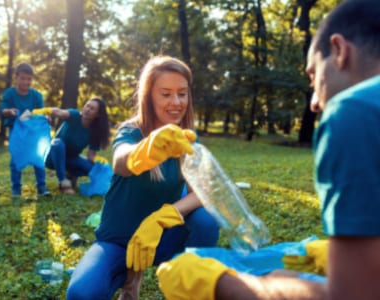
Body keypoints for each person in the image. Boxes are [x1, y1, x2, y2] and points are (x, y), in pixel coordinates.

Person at [155, 0, 380, 299]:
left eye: (313, 77)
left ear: (339, 50)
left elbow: (352, 295)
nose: (314, 102)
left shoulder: (352, 111)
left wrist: (221, 284)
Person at [66, 55, 219, 300]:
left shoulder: (187, 138)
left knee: (206, 220)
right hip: (118, 241)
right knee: (82, 294)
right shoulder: (130, 130)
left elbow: (200, 192)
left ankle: (188, 287)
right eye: (166, 94)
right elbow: (121, 162)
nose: (176, 102)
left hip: (162, 237)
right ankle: (129, 276)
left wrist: (163, 218)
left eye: (182, 93)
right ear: (149, 96)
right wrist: (148, 150)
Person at [33, 97, 110, 194]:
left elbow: (91, 155)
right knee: (58, 143)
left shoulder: (95, 131)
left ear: (97, 115)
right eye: (87, 106)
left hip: (70, 159)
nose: (88, 109)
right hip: (52, 157)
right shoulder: (74, 115)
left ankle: (71, 174)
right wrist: (44, 111)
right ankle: (63, 182)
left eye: (92, 109)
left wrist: (98, 160)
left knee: (92, 168)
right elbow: (59, 112)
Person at [0, 62, 51, 197]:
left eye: (29, 79)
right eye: (22, 78)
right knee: (16, 159)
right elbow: (3, 110)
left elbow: (40, 112)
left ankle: (42, 187)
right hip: (16, 132)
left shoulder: (36, 95)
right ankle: (16, 188)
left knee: (38, 158)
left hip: (33, 133)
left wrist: (46, 117)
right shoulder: (10, 94)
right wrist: (9, 111)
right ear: (16, 77)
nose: (26, 82)